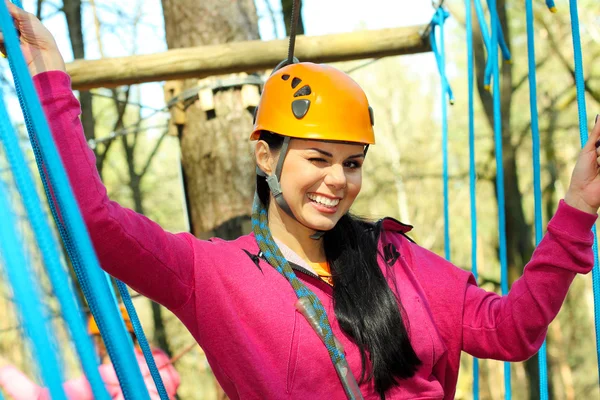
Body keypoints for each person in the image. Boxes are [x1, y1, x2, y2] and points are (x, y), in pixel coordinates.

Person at [1, 3, 599, 399]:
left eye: (352, 162)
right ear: (268, 158)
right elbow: (95, 225)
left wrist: (576, 206)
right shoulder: (212, 277)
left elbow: (513, 330)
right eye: (317, 158)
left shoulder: (395, 258)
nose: (337, 180)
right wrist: (52, 83)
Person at [0, 306, 180, 399]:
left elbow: (42, 397)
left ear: (101, 342)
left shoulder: (108, 376)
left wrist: (4, 373)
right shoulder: (159, 364)